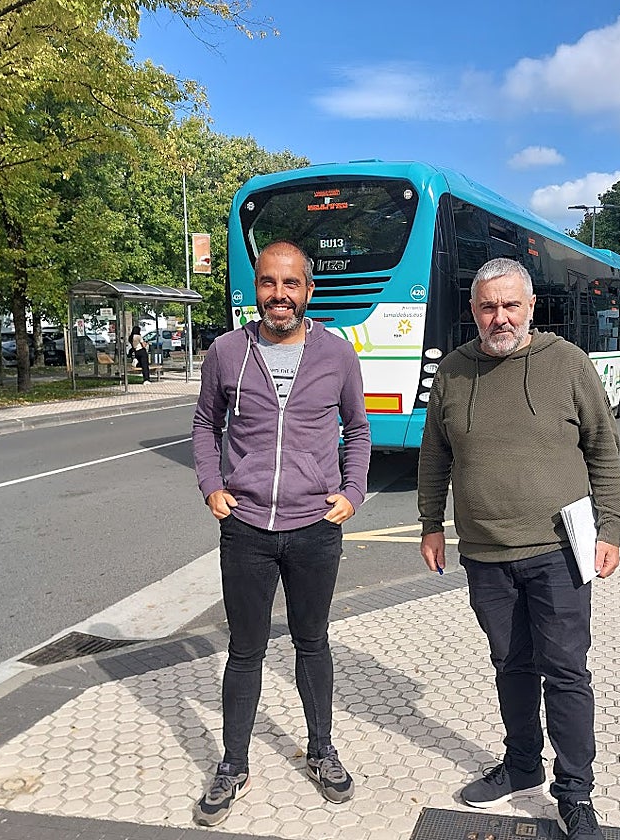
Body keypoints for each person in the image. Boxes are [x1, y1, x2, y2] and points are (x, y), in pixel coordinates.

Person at [418, 258, 620, 840]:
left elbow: (603, 451)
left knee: (564, 672)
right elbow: (435, 455)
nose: (500, 317)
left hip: (561, 551)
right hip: (485, 553)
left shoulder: (567, 363)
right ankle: (521, 762)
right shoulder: (455, 372)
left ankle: (575, 793)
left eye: (511, 305)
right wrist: (430, 523)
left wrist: (610, 528)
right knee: (511, 665)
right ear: (474, 310)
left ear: (531, 307)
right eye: (488, 306)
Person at [190, 240, 371, 827]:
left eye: (290, 284)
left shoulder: (337, 355)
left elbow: (359, 430)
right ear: (257, 290)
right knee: (245, 650)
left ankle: (321, 750)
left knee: (312, 643)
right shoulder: (225, 351)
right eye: (268, 283)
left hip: (315, 528)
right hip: (245, 528)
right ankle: (233, 764)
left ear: (309, 291)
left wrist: (351, 492)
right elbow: (203, 424)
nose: (279, 295)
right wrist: (211, 484)